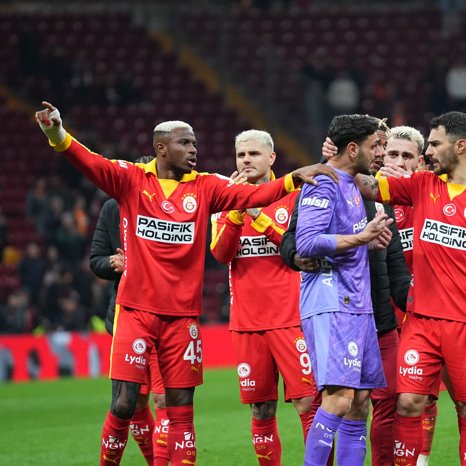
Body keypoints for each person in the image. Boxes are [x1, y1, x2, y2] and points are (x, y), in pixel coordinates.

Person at [34, 101, 336, 466]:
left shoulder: (207, 186)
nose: (194, 150)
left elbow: (254, 195)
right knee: (125, 403)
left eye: (194, 143)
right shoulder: (131, 179)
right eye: (185, 143)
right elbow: (90, 161)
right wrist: (57, 133)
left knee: (180, 408)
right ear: (161, 148)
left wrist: (294, 178)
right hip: (136, 312)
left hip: (183, 318)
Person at [355, 111, 466, 466]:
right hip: (421, 322)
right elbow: (366, 186)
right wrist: (339, 156)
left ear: (460, 146)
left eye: (433, 144)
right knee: (408, 402)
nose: (427, 152)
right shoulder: (423, 184)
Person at [283, 121, 411, 466]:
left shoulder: (354, 185)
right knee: (338, 399)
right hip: (332, 302)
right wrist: (361, 237)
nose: (381, 153)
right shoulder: (323, 182)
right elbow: (306, 242)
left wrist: (369, 243)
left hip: (359, 304)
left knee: (359, 404)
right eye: (376, 146)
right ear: (353, 148)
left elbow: (348, 239)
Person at [209, 130, 318, 466]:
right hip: (247, 324)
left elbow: (300, 250)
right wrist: (236, 212)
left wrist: (259, 216)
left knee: (308, 403)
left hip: (291, 319)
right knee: (260, 408)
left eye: (254, 154)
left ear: (271, 158)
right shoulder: (224, 200)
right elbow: (221, 254)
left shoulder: (293, 196)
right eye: (241, 155)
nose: (246, 160)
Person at [89, 168, 170, 466]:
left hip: (167, 317)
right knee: (130, 403)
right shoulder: (112, 208)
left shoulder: (173, 207)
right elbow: (96, 259)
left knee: (163, 399)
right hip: (126, 316)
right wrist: (113, 263)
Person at [382, 125, 440, 466]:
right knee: (382, 400)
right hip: (382, 312)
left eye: (407, 156)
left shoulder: (430, 195)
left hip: (424, 309)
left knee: (424, 397)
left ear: (420, 162)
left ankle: (420, 461)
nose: (399, 161)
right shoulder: (369, 196)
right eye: (392, 154)